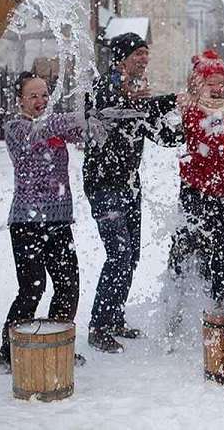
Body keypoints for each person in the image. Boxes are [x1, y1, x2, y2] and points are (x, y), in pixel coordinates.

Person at [0, 72, 112, 369]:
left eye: (45, 95)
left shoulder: (55, 128)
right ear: (20, 100)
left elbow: (87, 137)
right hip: (27, 222)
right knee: (32, 289)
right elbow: (44, 129)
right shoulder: (17, 128)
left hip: (59, 220)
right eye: (33, 96)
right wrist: (78, 117)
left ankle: (57, 345)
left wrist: (95, 122)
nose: (41, 101)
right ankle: (9, 350)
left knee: (68, 286)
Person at [83, 32, 183, 353]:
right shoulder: (104, 86)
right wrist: (158, 98)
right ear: (121, 58)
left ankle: (114, 317)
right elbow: (109, 106)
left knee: (131, 256)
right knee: (119, 255)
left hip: (129, 184)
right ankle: (99, 326)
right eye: (138, 53)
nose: (144, 58)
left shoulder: (139, 94)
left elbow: (163, 135)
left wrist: (192, 121)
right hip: (103, 184)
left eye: (145, 52)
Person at [166, 49, 224, 310]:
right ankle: (182, 304)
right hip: (196, 192)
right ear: (199, 85)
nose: (217, 89)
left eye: (221, 83)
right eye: (210, 83)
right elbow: (209, 140)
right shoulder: (192, 110)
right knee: (190, 247)